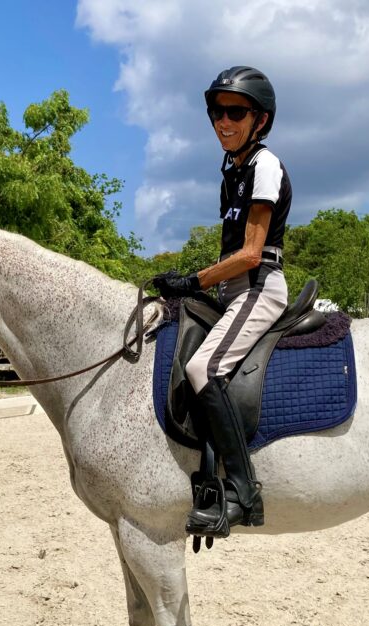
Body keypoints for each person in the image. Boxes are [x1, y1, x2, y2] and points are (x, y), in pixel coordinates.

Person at [154, 66, 292, 536]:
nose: (222, 121)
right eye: (216, 111)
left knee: (202, 369)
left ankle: (241, 492)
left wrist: (193, 279)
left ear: (261, 120)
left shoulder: (263, 166)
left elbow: (250, 252)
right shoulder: (231, 172)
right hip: (233, 290)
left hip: (259, 286)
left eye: (235, 112)